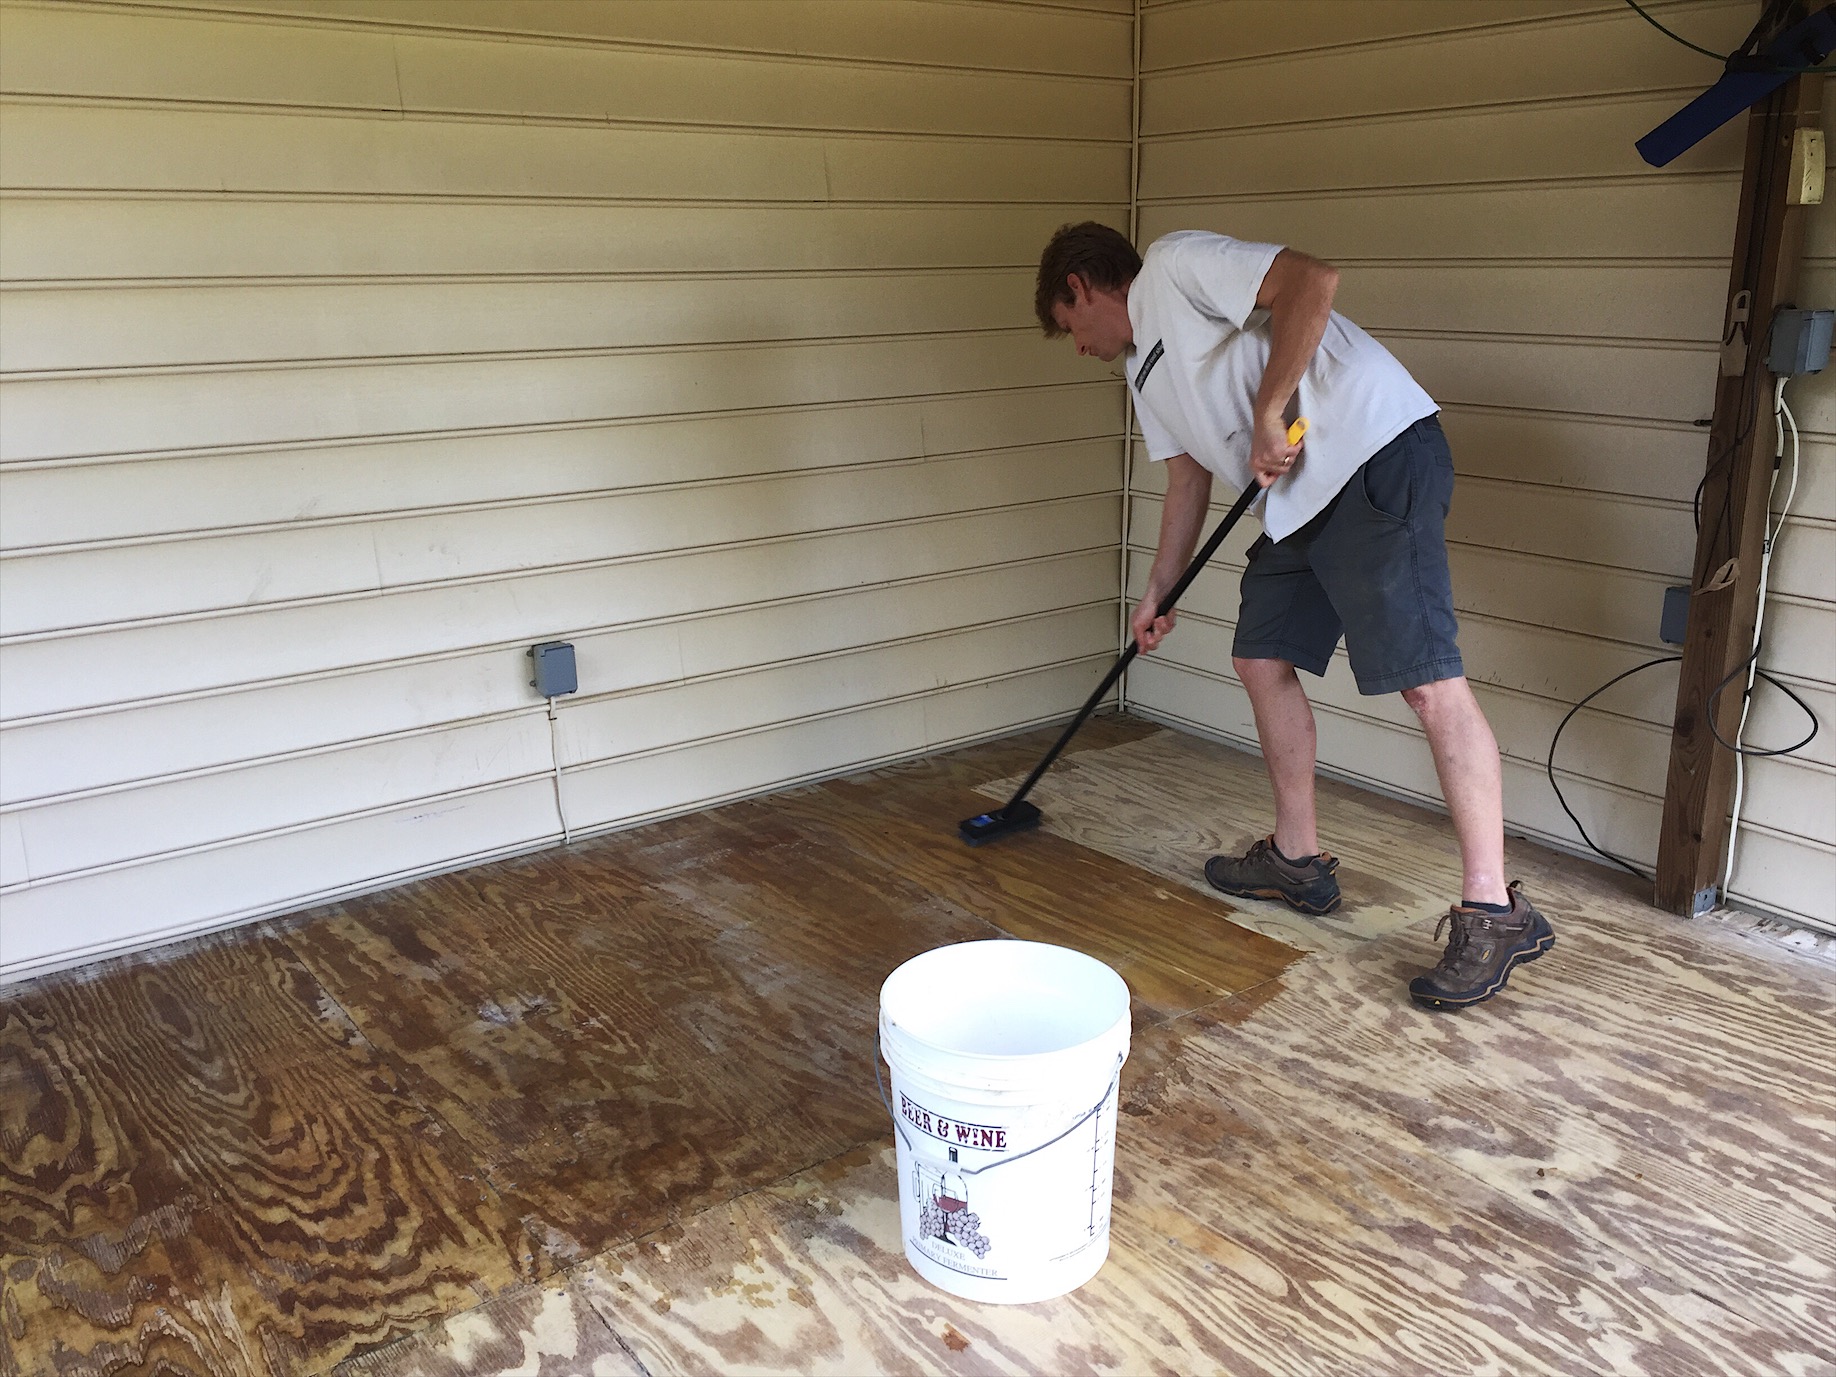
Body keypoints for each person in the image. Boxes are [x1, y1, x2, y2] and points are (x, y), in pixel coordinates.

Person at [1034, 222, 1554, 1010]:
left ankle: (1494, 908)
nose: (1077, 347)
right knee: (1259, 655)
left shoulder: (1172, 269)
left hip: (1372, 453)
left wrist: (1272, 407)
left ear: (1080, 287)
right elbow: (1184, 481)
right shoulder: (1144, 370)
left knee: (1426, 683)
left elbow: (1312, 280)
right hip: (1298, 498)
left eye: (1068, 326)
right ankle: (1296, 858)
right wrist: (1157, 594)